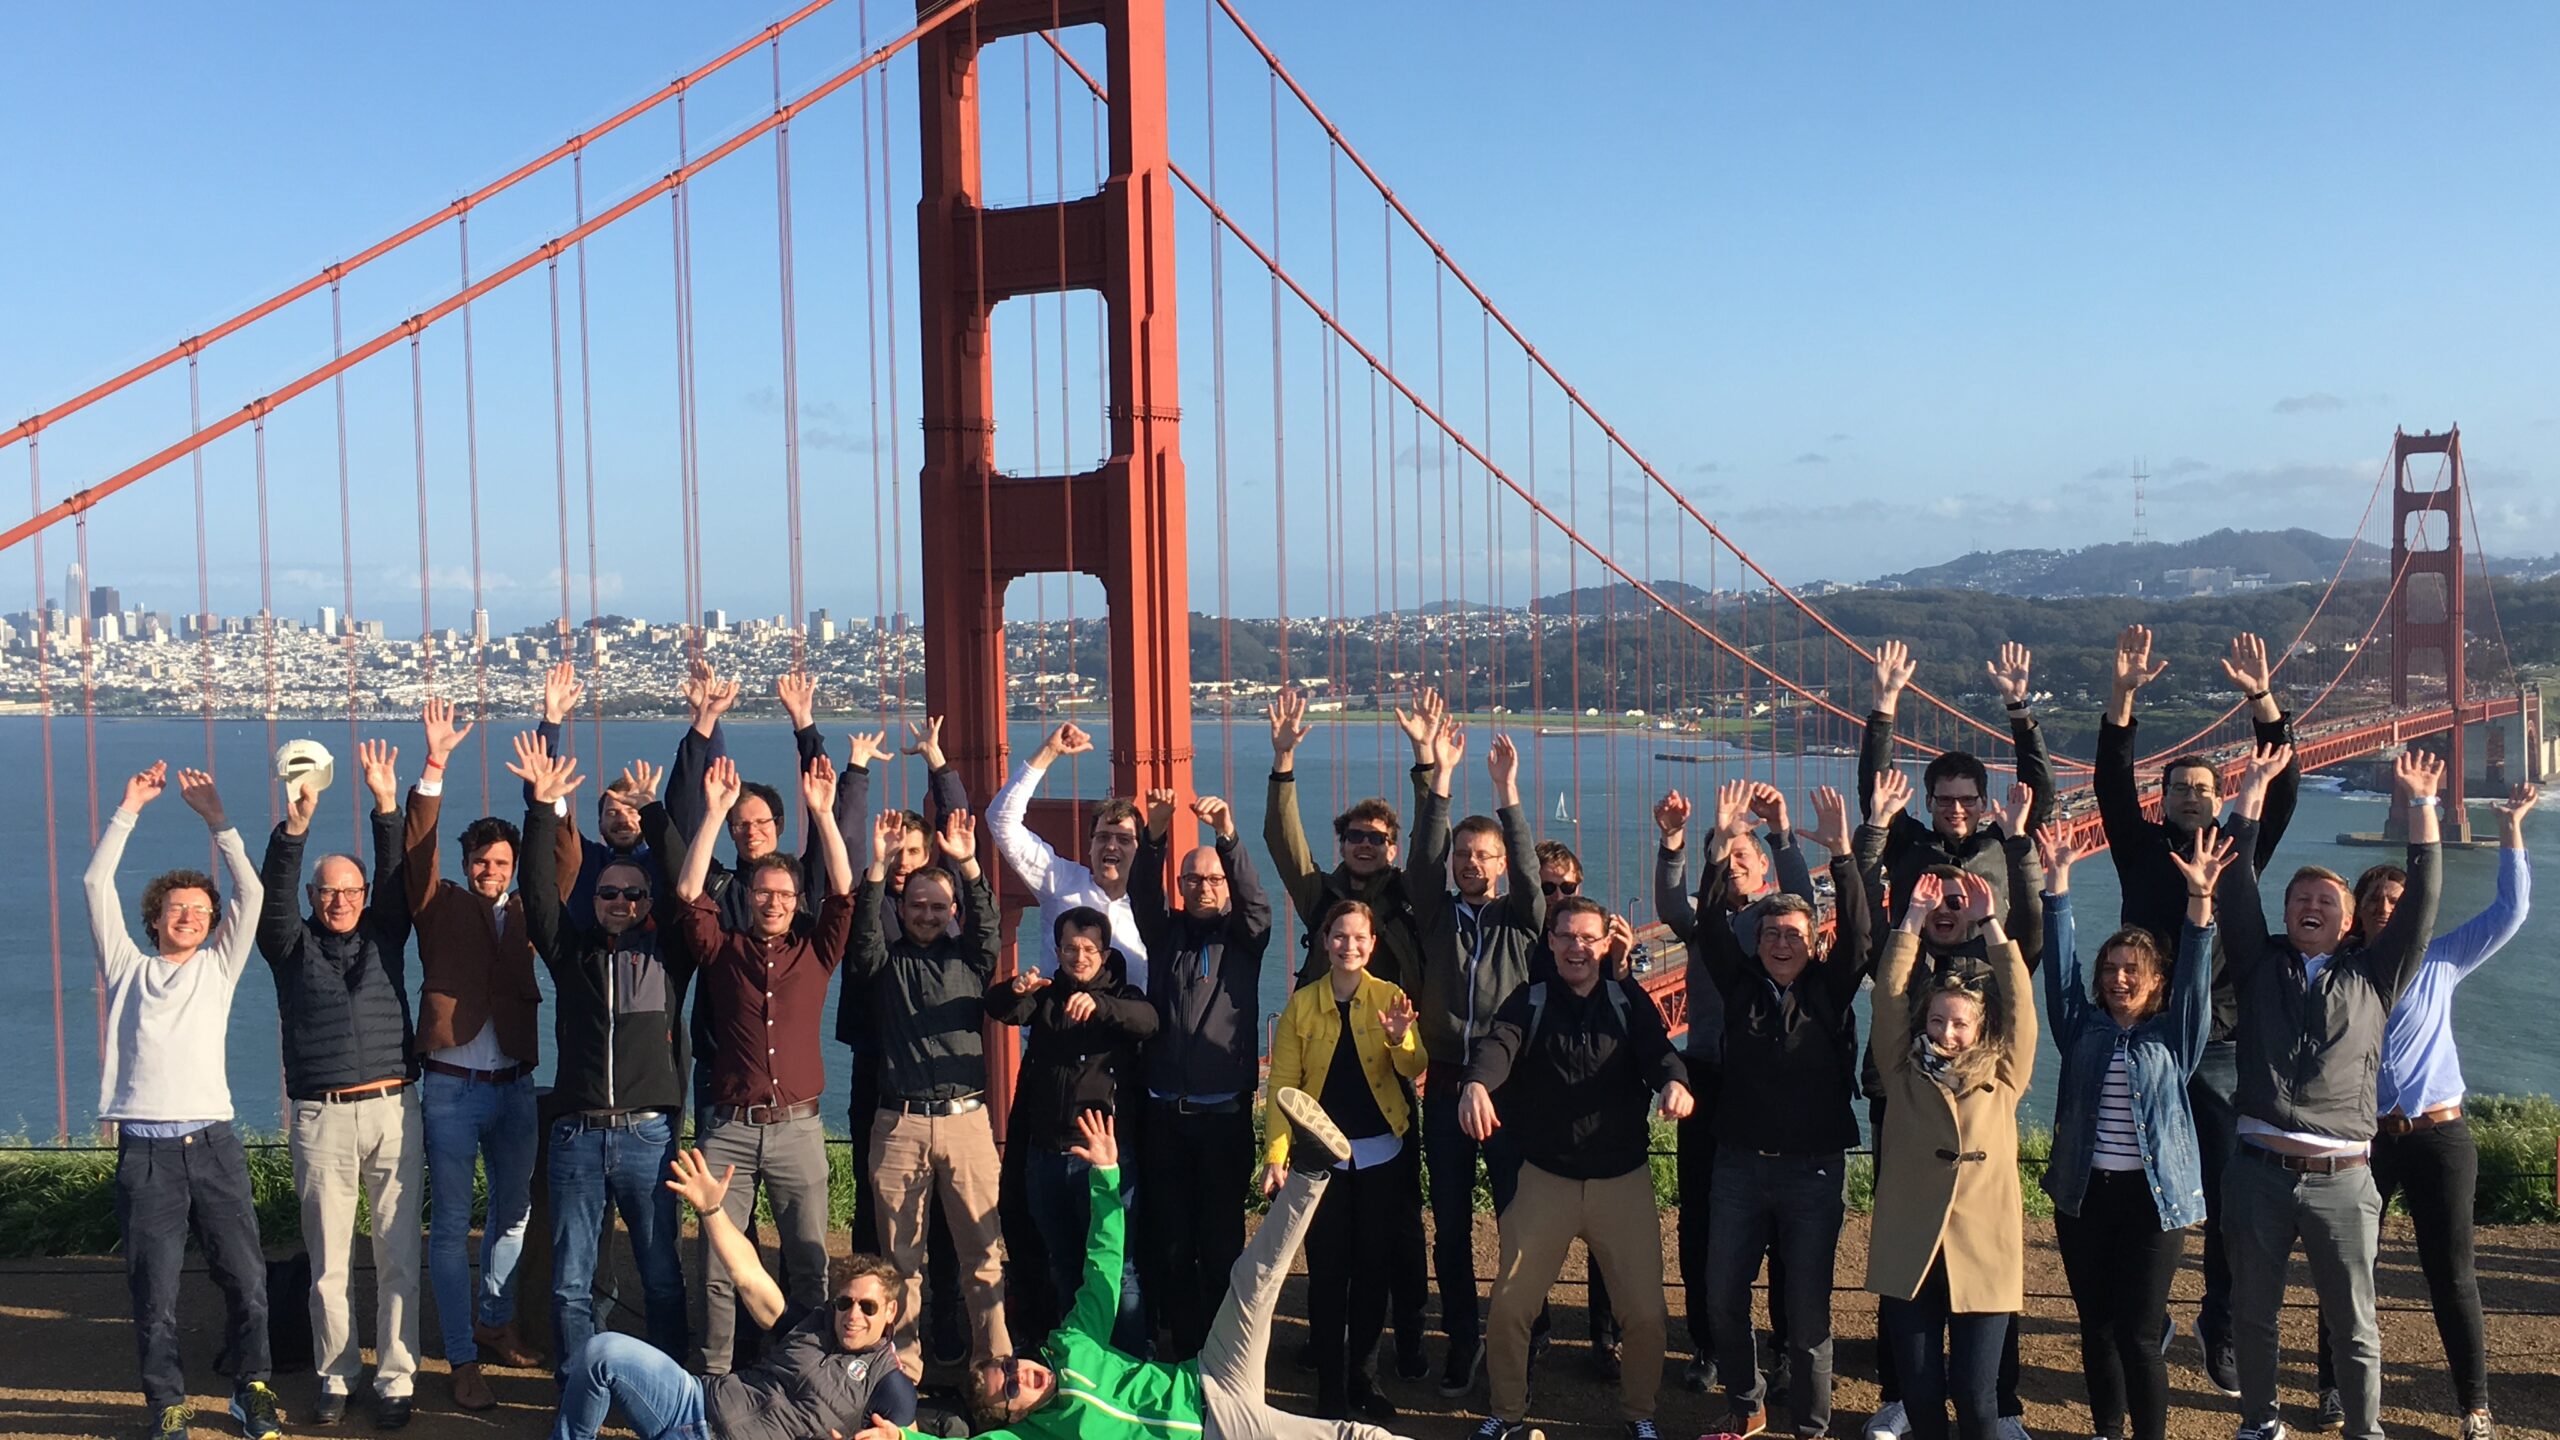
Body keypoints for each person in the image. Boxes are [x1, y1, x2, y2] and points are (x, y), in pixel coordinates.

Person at [941, 1095, 1427, 1440]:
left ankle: (1312, 1169)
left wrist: (1106, 1179)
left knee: (1249, 1281)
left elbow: (1104, 1269)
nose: (1018, 1373)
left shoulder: (1069, 1345)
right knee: (1352, 1436)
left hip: (1207, 1378)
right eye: (1008, 1387)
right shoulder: (1036, 1438)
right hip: (1217, 1433)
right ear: (1011, 1418)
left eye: (1008, 1365)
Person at [2216, 744, 2442, 1440]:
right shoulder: (2258, 965)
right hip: (2256, 1172)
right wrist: (2250, 794)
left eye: (2326, 902)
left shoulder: (2375, 975)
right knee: (2253, 1314)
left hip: (2344, 1178)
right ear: (2285, 915)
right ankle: (2260, 1423)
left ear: (2347, 923)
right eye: (2301, 899)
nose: (2313, 906)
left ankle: (2363, 1430)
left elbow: (2424, 900)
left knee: (2355, 1321)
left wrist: (2423, 809)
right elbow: (2231, 887)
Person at [2097, 627, 2300, 1398]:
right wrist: (2123, 697)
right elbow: (2112, 778)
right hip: (2144, 1039)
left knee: (2223, 1196)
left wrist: (2262, 699)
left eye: (2204, 790)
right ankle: (2146, 1315)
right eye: (2180, 788)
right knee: (2128, 1182)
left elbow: (2281, 789)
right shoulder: (2139, 848)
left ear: (2219, 801)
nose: (2192, 797)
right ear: (2164, 800)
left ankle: (2219, 1323)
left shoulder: (2241, 851)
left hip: (2217, 1043)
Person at [2309, 782, 2538, 1440]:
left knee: (2452, 1273)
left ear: (2417, 912)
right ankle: (2332, 1387)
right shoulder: (2339, 971)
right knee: (2348, 1271)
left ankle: (2475, 1405)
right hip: (2362, 1140)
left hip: (2440, 1135)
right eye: (2375, 902)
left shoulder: (2442, 957)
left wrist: (2510, 827)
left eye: (2398, 900)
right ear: (2358, 916)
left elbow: (2511, 909)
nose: (2386, 908)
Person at [87, 760, 282, 1440]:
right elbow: (93, 882)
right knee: (156, 1294)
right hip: (146, 1153)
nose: (192, 917)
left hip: (215, 1145)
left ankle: (249, 1390)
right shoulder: (128, 969)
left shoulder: (218, 968)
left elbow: (251, 893)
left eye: (202, 910)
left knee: (248, 1282)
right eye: (179, 909)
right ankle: (166, 1402)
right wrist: (129, 809)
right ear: (156, 918)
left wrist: (218, 821)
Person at [1461, 896, 1694, 1440]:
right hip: (1546, 1179)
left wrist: (1675, 1082)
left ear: (1607, 944)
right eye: (1566, 936)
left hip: (1623, 1181)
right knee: (1510, 1306)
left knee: (1645, 1315)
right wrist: (1475, 1082)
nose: (1578, 947)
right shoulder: (1531, 1000)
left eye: (1590, 937)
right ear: (1551, 942)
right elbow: (1498, 1045)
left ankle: (1641, 1415)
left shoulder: (1625, 1000)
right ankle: (1506, 1414)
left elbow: (1659, 1051)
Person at [1855, 770, 2039, 1440]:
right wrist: (1906, 923)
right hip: (1913, 1247)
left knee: (1980, 1397)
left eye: (1960, 1025)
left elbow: (2019, 1005)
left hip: (1982, 1247)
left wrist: (1992, 924)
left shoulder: (2007, 1073)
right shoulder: (1900, 1071)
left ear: (1977, 1030)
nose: (1947, 1033)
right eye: (1937, 1023)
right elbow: (1887, 1000)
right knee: (1924, 1396)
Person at [1264, 686, 1437, 1378]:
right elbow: (1284, 845)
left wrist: (1426, 762)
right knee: (1330, 1225)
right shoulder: (1324, 895)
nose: (1365, 846)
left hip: (1395, 1076)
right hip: (1331, 1078)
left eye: (1378, 838)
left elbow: (1435, 843)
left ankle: (1408, 1336)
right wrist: (1282, 762)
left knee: (1399, 1230)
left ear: (1392, 847)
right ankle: (1332, 1345)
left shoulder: (1410, 891)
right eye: (1355, 837)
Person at [2036, 824, 2226, 1440]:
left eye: (2133, 970)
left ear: (2156, 983)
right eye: (2111, 968)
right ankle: (2106, 1431)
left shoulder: (2174, 1036)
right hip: (2085, 1196)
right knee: (2095, 1325)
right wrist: (2057, 886)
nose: (2119, 978)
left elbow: (2198, 979)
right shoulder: (2081, 1028)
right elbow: (2058, 972)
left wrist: (2201, 905)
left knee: (2140, 1333)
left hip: (2153, 1201)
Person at [1691, 785, 1869, 1440]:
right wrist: (1716, 841)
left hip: (1814, 1174)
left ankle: (1812, 1428)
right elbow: (1708, 922)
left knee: (1808, 1313)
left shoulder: (1831, 987)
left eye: (1795, 933)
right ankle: (1747, 1406)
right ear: (1757, 940)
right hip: (1738, 1167)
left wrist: (1841, 853)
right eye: (1771, 933)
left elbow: (1860, 929)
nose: (1782, 942)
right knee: (1721, 1301)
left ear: (1813, 939)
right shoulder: (1739, 985)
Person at [671, 753, 857, 1378]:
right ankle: (714, 1380)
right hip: (728, 1129)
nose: (774, 902)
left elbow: (844, 890)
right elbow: (688, 891)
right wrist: (716, 813)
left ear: (795, 901)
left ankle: (803, 1374)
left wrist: (825, 817)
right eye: (764, 894)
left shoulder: (818, 950)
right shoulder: (722, 951)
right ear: (748, 898)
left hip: (799, 1129)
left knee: (808, 1262)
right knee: (719, 1267)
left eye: (784, 895)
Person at [258, 738, 423, 1429]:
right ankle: (335, 1375)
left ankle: (395, 1378)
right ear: (312, 897)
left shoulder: (386, 933)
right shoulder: (287, 947)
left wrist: (388, 806)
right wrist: (295, 825)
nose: (340, 901)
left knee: (398, 1255)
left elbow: (396, 881)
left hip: (393, 1108)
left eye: (350, 891)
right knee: (329, 1259)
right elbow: (272, 895)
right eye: (326, 892)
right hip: (321, 1116)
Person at [514, 736, 693, 1370]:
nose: (621, 902)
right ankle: (578, 1391)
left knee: (663, 1276)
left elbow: (684, 891)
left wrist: (657, 815)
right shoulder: (572, 957)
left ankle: (669, 1392)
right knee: (571, 1284)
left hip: (647, 1137)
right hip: (577, 1138)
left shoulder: (668, 956)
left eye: (633, 896)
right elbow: (537, 893)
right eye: (609, 894)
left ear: (648, 904)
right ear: (592, 900)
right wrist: (541, 808)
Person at [552, 1148, 917, 1440]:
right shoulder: (811, 1324)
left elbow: (907, 1435)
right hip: (693, 1402)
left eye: (868, 1307)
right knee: (601, 1352)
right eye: (845, 1302)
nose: (853, 1315)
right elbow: (748, 1276)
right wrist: (710, 1209)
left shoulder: (890, 1385)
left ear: (890, 1311)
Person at [405, 697, 552, 1407]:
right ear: (466, 864)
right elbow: (415, 851)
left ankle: (495, 1321)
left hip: (516, 1084)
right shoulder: (439, 905)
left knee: (514, 1212)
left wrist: (546, 791)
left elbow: (567, 860)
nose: (491, 869)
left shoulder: (531, 910)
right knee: (452, 1225)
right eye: (481, 861)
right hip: (453, 1087)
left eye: (501, 861)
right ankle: (461, 1356)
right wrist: (435, 766)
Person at [1655, 779, 1818, 1396]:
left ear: (1761, 868)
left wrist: (1779, 830)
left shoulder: (1776, 923)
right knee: (1699, 1217)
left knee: (1776, 1224)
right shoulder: (1703, 924)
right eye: (1723, 856)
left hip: (1768, 1083)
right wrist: (1676, 838)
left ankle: (1778, 1349)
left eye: (1743, 856)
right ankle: (1709, 1345)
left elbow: (1805, 902)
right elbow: (1672, 905)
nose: (1733, 866)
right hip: (1707, 1080)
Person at [847, 804, 1014, 1379]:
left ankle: (994, 1368)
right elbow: (861, 933)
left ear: (952, 912)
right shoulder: (882, 964)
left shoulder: (972, 957)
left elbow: (989, 924)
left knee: (984, 1258)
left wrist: (968, 864)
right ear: (902, 907)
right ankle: (902, 1372)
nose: (925, 914)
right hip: (900, 1122)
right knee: (900, 1264)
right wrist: (877, 868)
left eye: (937, 907)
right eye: (915, 905)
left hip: (968, 1120)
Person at [828, 718, 974, 1363]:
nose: (903, 864)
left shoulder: (939, 914)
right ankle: (873, 1330)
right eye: (895, 853)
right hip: (877, 1070)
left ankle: (944, 1329)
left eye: (915, 854)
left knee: (946, 1216)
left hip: (938, 1077)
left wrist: (940, 764)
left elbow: (963, 835)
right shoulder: (872, 908)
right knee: (876, 1206)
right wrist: (854, 774)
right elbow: (846, 838)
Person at [1407, 718, 1543, 1397]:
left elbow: (1529, 872)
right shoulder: (1433, 913)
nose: (1471, 862)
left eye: (1483, 854)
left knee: (1520, 1221)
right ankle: (1464, 1344)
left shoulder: (1521, 917)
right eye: (1463, 853)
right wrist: (1443, 779)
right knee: (1452, 1223)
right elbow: (1421, 857)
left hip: (1510, 1084)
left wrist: (1506, 791)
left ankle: (1523, 1342)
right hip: (1447, 1083)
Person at [1263, 900, 1430, 1422]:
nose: (1348, 945)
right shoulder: (1302, 1005)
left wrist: (1400, 1036)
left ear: (1372, 944)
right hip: (1321, 1163)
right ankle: (1331, 1389)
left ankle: (1364, 1377)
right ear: (1325, 941)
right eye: (1339, 936)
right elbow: (1283, 1087)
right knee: (1329, 1275)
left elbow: (1415, 1065)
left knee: (1373, 1273)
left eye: (1359, 937)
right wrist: (1275, 1155)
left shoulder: (1391, 997)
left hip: (1383, 1157)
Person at [1128, 788, 1273, 1362]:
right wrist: (1156, 836)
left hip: (1223, 1117)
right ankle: (1183, 1350)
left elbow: (1257, 903)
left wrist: (1228, 837)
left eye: (1214, 879)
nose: (1204, 887)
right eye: (1192, 880)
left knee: (1220, 1243)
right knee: (1170, 1243)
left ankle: (1220, 1350)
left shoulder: (1245, 937)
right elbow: (1141, 891)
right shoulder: (1164, 935)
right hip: (1165, 1113)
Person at [985, 905, 1159, 1352]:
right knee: (1064, 1264)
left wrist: (1101, 1005)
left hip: (1103, 1162)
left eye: (1088, 949)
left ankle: (1132, 1358)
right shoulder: (1046, 996)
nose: (1078, 957)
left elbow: (1148, 1021)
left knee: (1119, 1265)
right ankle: (1079, 1356)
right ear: (1058, 949)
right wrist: (1016, 987)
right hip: (1045, 1154)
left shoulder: (1125, 995)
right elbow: (1000, 1009)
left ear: (1104, 953)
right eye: (1069, 948)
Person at [1856, 640, 2054, 961]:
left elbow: (2039, 790)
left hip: (1991, 978)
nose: (1957, 809)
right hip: (1914, 979)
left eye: (1967, 799)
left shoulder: (2006, 844)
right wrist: (1884, 704)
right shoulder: (1907, 845)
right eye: (1946, 800)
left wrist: (2018, 707)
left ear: (1984, 802)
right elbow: (1875, 789)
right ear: (1929, 801)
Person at [985, 720, 1152, 981]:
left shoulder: (1151, 910)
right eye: (1103, 837)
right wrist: (1048, 752)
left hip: (1125, 1022)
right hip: (1057, 1021)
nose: (1111, 845)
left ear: (1138, 849)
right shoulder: (1061, 881)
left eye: (1124, 839)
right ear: (1090, 844)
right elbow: (1000, 819)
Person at [525, 661, 654, 929]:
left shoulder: (663, 863)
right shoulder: (583, 859)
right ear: (599, 824)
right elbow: (542, 798)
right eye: (612, 813)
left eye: (632, 811)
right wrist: (552, 719)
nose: (622, 819)